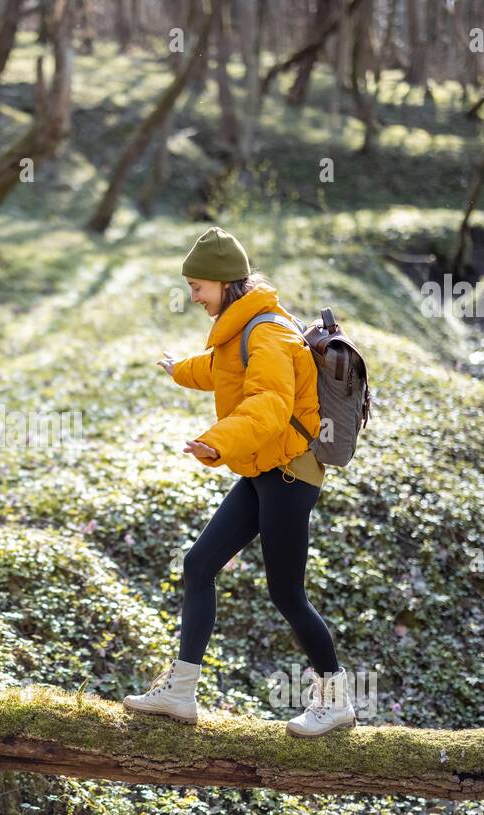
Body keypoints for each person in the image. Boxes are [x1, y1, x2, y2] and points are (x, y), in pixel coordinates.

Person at [121, 226, 356, 737]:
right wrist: (178, 369)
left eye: (199, 287)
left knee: (287, 592)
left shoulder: (268, 331)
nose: (194, 297)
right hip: (262, 467)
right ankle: (181, 691)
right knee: (199, 563)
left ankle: (335, 699)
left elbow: (268, 405)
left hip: (291, 472)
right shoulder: (242, 327)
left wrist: (218, 441)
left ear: (226, 283)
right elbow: (223, 369)